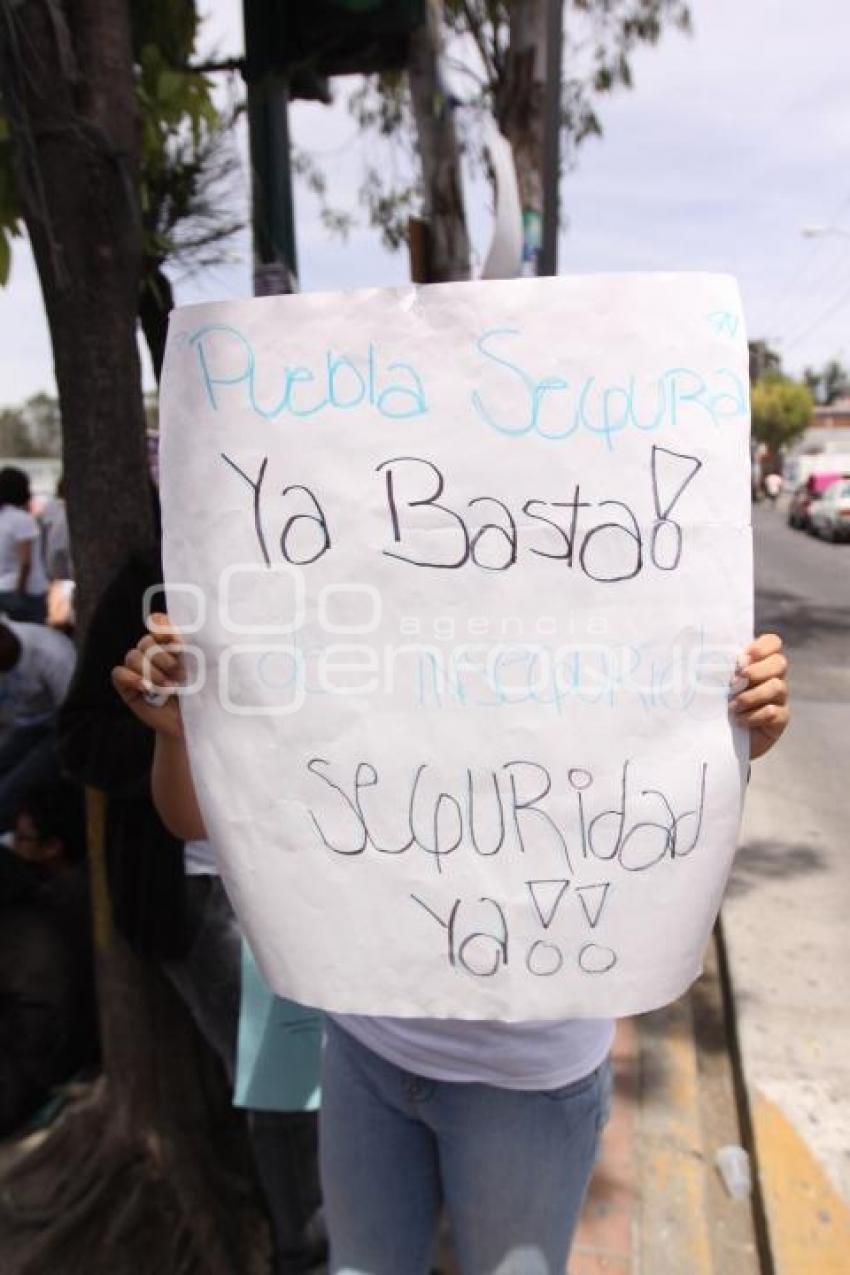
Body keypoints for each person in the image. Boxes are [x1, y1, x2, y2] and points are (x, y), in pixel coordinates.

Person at [113, 619, 789, 1275]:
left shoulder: (598, 614)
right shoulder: (336, 608)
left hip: (524, 1080)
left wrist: (721, 736)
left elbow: (661, 787)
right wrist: (181, 737)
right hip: (365, 1049)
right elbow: (192, 820)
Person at [60, 545, 326, 1275]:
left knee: (338, 1072)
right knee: (286, 1082)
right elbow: (81, 739)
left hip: (322, 879)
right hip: (203, 890)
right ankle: (306, 1248)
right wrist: (163, 725)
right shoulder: (154, 579)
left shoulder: (342, 576)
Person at [0, 779, 98, 1134]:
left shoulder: (37, 929)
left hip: (26, 1080)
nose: (13, 843)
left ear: (52, 847)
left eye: (22, 837)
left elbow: (39, 1041)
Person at [0, 617, 75, 832]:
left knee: (13, 788)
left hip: (60, 727)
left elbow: (72, 722)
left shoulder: (53, 657)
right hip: (27, 721)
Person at [0, 466, 49, 623]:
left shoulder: (3, 517)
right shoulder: (22, 519)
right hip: (27, 591)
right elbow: (26, 561)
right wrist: (19, 591)